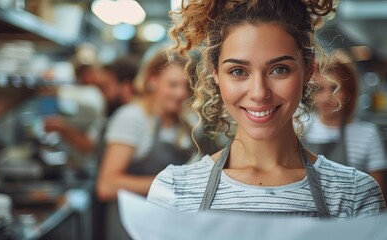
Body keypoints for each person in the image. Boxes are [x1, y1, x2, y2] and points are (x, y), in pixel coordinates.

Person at [147, 0, 385, 218]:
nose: (259, 92)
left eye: (279, 69)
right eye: (238, 71)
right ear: (215, 74)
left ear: (308, 71)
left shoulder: (355, 194)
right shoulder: (173, 191)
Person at [96, 48, 196, 239]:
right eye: (173, 85)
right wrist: (171, 184)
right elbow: (106, 185)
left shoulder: (182, 122)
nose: (181, 93)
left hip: (164, 228)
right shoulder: (132, 118)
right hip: (131, 229)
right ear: (151, 81)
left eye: (185, 85)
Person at [303, 59, 387, 199]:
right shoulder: (300, 129)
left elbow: (378, 195)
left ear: (349, 92)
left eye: (334, 88)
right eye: (319, 89)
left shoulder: (368, 134)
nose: (326, 97)